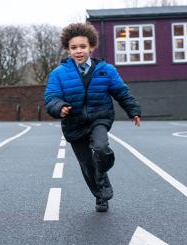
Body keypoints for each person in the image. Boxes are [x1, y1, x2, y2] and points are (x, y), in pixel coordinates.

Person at [44, 23, 141, 212]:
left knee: (101, 148)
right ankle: (100, 195)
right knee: (87, 166)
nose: (78, 51)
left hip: (99, 118)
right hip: (74, 123)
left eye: (82, 47)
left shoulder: (106, 70)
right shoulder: (59, 74)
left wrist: (134, 110)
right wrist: (60, 107)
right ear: (68, 49)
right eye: (74, 47)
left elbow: (121, 92)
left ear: (91, 47)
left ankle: (103, 168)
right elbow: (51, 97)